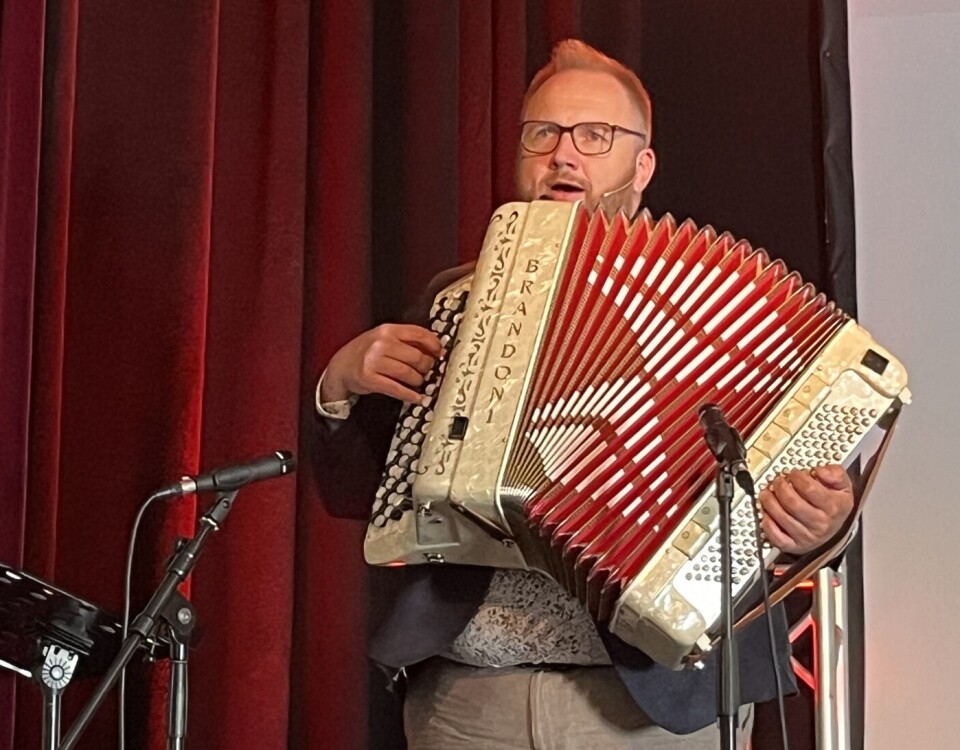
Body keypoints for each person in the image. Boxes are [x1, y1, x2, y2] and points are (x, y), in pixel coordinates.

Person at [314, 39, 855, 749]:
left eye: (595, 136)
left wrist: (823, 524)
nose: (564, 155)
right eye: (544, 133)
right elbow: (357, 492)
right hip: (471, 701)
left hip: (655, 709)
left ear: (643, 164)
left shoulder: (724, 306)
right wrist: (340, 384)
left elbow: (799, 489)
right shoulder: (455, 301)